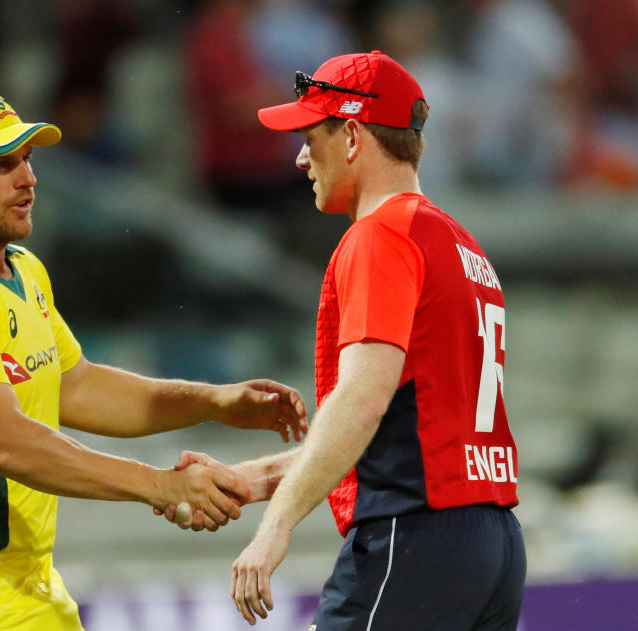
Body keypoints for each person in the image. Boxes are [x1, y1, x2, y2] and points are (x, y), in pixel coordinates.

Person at [0, 86, 308, 631]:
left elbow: (74, 387)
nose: (27, 179)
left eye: (26, 159)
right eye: (0, 164)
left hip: (28, 595)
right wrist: (161, 484)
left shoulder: (22, 270)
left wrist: (215, 402)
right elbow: (4, 443)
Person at [162, 51, 525, 629]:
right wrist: (252, 480)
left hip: (413, 538)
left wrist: (276, 527)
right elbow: (398, 430)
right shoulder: (461, 245)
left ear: (352, 135)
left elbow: (361, 400)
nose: (301, 156)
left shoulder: (380, 237)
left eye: (311, 135)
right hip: (492, 544)